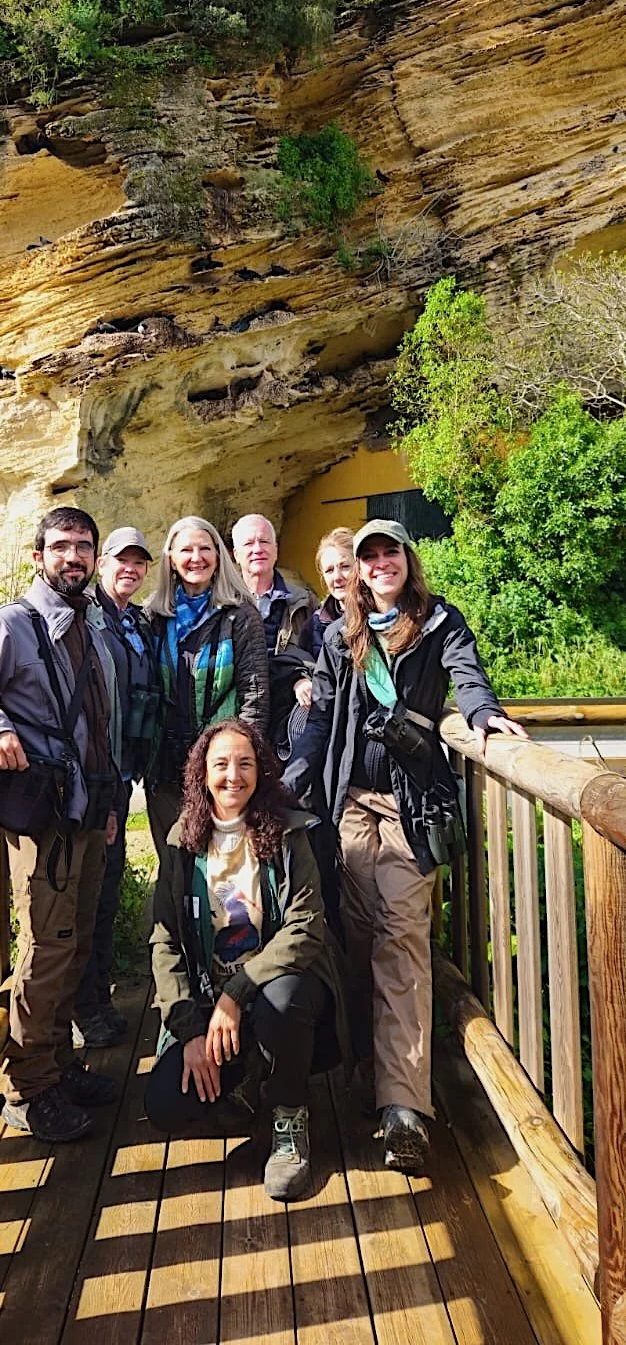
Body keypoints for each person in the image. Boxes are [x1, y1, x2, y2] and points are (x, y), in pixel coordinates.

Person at [282, 519, 526, 1175]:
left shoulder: (439, 621)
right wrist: (290, 784)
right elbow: (320, 724)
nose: (381, 562)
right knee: (357, 937)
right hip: (352, 805)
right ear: (358, 571)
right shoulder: (340, 636)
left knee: (403, 936)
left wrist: (482, 716)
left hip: (412, 806)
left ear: (406, 561)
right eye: (370, 556)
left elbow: (466, 676)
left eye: (391, 551)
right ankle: (371, 1066)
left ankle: (404, 1109)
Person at [0, 506, 127, 1144]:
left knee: (72, 948)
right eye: (62, 547)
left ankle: (58, 1063)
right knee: (45, 950)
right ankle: (28, 1088)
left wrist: (105, 811)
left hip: (89, 810)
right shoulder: (10, 626)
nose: (74, 558)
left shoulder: (93, 628)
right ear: (38, 555)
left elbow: (100, 727)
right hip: (44, 815)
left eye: (84, 548)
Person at [144, 719, 350, 1200]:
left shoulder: (288, 831)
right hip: (212, 1006)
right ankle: (251, 1074)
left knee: (283, 999)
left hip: (278, 993)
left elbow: (306, 924)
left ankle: (289, 1117)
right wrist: (190, 1028)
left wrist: (238, 993)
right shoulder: (181, 842)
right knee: (165, 1105)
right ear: (202, 773)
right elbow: (164, 939)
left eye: (245, 763)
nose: (232, 775)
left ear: (261, 771)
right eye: (220, 764)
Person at [73, 525, 161, 1049]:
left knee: (105, 891)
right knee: (91, 893)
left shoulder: (133, 620)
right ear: (103, 563)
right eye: (120, 560)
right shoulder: (89, 617)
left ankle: (97, 1001)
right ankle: (85, 1009)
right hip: (93, 777)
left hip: (122, 774)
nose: (129, 569)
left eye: (138, 562)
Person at [144, 516, 269, 862]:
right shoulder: (153, 617)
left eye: (205, 548)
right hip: (166, 769)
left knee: (218, 869)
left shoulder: (240, 616)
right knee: (172, 866)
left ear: (219, 556)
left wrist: (242, 766)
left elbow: (254, 697)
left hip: (219, 771)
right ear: (170, 558)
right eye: (186, 549)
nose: (196, 557)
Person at [231, 513, 317, 750]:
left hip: (289, 716)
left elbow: (319, 657)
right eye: (249, 543)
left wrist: (301, 677)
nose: (257, 549)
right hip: (238, 715)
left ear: (276, 550)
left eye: (264, 541)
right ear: (236, 555)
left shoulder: (304, 601)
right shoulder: (223, 604)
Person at [299, 527, 354, 660]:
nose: (337, 577)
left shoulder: (380, 616)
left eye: (345, 566)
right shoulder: (314, 625)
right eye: (329, 570)